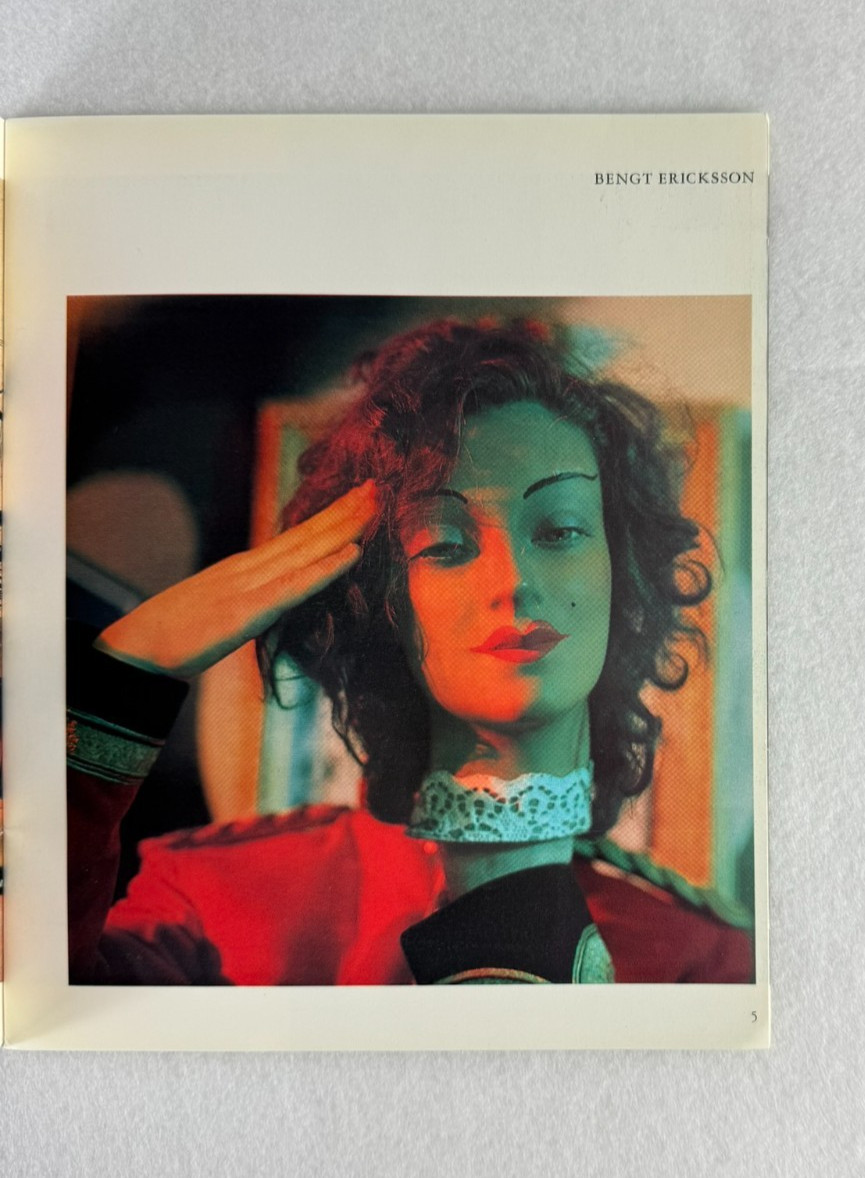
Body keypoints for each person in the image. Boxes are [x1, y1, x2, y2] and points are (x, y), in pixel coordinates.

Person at [66, 318, 754, 986]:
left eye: (560, 531)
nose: (514, 580)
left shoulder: (699, 960)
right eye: (446, 545)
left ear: (622, 573)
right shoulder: (222, 898)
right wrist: (126, 673)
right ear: (379, 600)